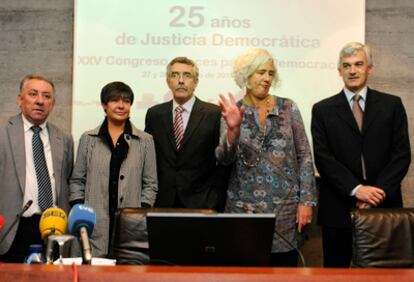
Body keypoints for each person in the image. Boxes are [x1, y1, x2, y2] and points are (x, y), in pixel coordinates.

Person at [311, 42, 411, 267]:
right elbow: (323, 158)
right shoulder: (322, 109)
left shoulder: (392, 105)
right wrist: (357, 190)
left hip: (383, 206)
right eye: (346, 66)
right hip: (339, 208)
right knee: (336, 274)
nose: (352, 70)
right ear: (339, 71)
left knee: (386, 275)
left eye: (358, 64)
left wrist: (377, 193)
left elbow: (402, 155)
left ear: (370, 68)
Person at [216, 48, 317, 267]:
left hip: (285, 212)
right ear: (246, 75)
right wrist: (233, 131)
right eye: (261, 72)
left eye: (271, 73)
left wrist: (306, 202)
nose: (267, 78)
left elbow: (305, 156)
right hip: (243, 211)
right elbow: (223, 159)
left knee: (284, 272)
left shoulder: (288, 107)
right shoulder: (234, 110)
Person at [70, 81, 158, 257]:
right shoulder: (88, 138)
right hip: (94, 224)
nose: (121, 105)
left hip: (130, 225)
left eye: (126, 101)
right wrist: (81, 209)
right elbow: (77, 180)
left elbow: (151, 183)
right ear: (104, 105)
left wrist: (140, 211)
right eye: (114, 100)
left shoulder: (145, 140)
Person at [0, 75, 74, 263]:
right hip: (14, 228)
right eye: (33, 94)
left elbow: (67, 180)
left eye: (46, 96)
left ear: (53, 103)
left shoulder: (63, 139)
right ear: (20, 100)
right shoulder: (3, 134)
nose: (40, 101)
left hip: (54, 226)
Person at [145, 57, 228, 210]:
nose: (181, 80)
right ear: (168, 81)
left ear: (196, 82)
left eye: (187, 75)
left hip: (202, 202)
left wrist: (217, 200)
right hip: (163, 202)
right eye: (175, 75)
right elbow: (149, 159)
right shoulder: (154, 114)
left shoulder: (214, 114)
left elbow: (223, 160)